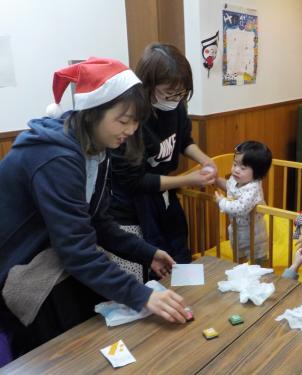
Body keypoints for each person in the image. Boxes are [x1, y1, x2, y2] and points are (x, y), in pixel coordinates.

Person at [0, 58, 190, 358]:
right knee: (69, 328)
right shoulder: (57, 157)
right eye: (123, 120)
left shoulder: (96, 150)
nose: (131, 129)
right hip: (18, 264)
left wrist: (146, 252)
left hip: (48, 253)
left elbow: (99, 223)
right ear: (92, 113)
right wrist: (141, 295)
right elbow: (76, 249)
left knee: (101, 306)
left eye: (136, 121)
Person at [109, 43, 216, 276]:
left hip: (162, 196)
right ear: (148, 85)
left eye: (182, 93)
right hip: (130, 208)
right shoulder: (131, 120)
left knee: (178, 256)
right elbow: (136, 181)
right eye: (170, 92)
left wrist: (206, 159)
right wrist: (187, 179)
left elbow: (184, 140)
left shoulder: (176, 107)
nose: (177, 98)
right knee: (146, 272)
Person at [215, 141, 272, 265]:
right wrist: (215, 179)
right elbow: (229, 187)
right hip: (236, 230)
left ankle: (263, 278)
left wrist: (222, 202)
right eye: (235, 164)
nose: (236, 170)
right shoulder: (236, 179)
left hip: (254, 234)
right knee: (239, 259)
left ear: (257, 173)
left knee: (259, 262)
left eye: (242, 168)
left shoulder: (253, 187)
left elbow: (240, 208)